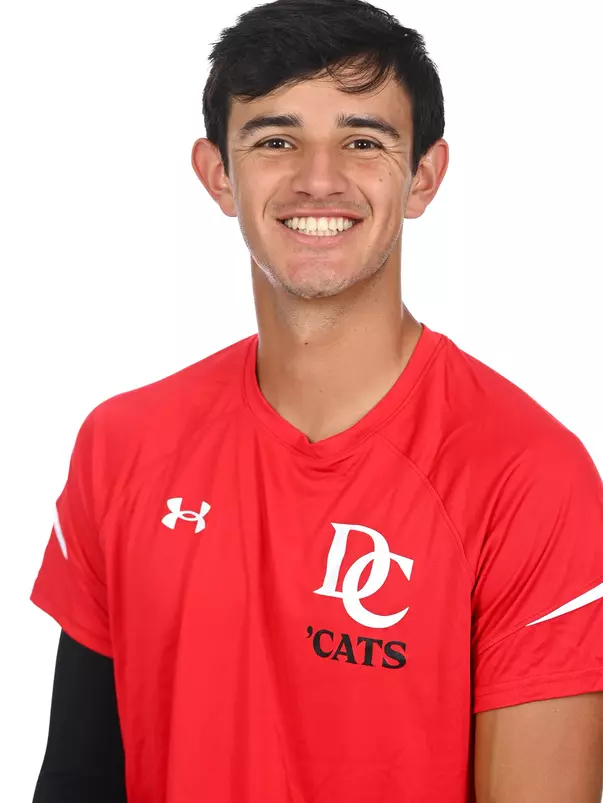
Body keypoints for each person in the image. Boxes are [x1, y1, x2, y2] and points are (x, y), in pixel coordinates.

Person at [30, 0, 603, 801]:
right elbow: (76, 778)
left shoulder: (527, 474)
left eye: (362, 141)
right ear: (218, 174)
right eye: (275, 140)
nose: (318, 179)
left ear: (423, 178)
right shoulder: (120, 445)